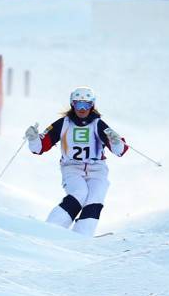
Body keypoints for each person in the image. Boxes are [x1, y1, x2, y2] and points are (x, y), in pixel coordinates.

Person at [26, 86, 128, 237]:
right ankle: (51, 228)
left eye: (86, 104)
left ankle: (81, 235)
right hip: (72, 167)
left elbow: (120, 151)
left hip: (97, 168)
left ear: (92, 105)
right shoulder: (64, 123)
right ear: (72, 104)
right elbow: (40, 148)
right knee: (79, 192)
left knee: (95, 197)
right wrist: (34, 138)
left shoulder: (97, 124)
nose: (82, 108)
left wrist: (116, 141)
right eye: (78, 104)